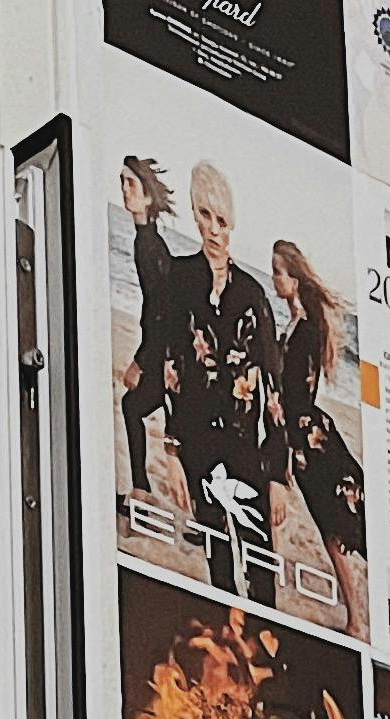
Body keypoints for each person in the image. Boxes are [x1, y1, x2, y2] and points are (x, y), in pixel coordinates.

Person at [161, 164, 287, 607]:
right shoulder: (179, 278)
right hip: (196, 439)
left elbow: (274, 389)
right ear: (194, 215)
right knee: (216, 552)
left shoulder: (253, 294)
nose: (214, 229)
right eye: (205, 215)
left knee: (259, 556)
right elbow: (172, 368)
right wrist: (172, 452)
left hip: (243, 445)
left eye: (222, 219)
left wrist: (278, 475)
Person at [269, 242, 367, 636]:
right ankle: (355, 617)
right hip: (302, 435)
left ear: (294, 278)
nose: (274, 278)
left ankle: (357, 620)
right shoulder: (296, 325)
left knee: (336, 527)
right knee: (333, 526)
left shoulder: (307, 329)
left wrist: (285, 428)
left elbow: (297, 391)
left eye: (278, 271)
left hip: (308, 440)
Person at [119, 159, 181, 501]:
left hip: (169, 356)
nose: (125, 189)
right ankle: (141, 487)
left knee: (134, 408)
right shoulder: (147, 240)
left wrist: (140, 362)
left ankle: (141, 488)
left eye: (131, 184)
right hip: (169, 352)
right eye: (122, 182)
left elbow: (160, 311)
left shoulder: (148, 245)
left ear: (146, 198)